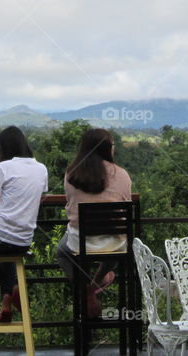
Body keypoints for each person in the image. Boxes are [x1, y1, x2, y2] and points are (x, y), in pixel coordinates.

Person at [0, 126, 48, 323]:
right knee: (8, 258)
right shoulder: (42, 169)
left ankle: (11, 290)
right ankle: (6, 300)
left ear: (4, 147)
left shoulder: (3, 168)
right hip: (23, 241)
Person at [55, 128, 133, 318]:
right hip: (114, 244)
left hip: (79, 242)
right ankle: (97, 282)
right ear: (108, 149)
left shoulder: (72, 173)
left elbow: (71, 204)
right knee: (117, 246)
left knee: (62, 252)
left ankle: (84, 289)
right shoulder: (122, 175)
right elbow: (127, 207)